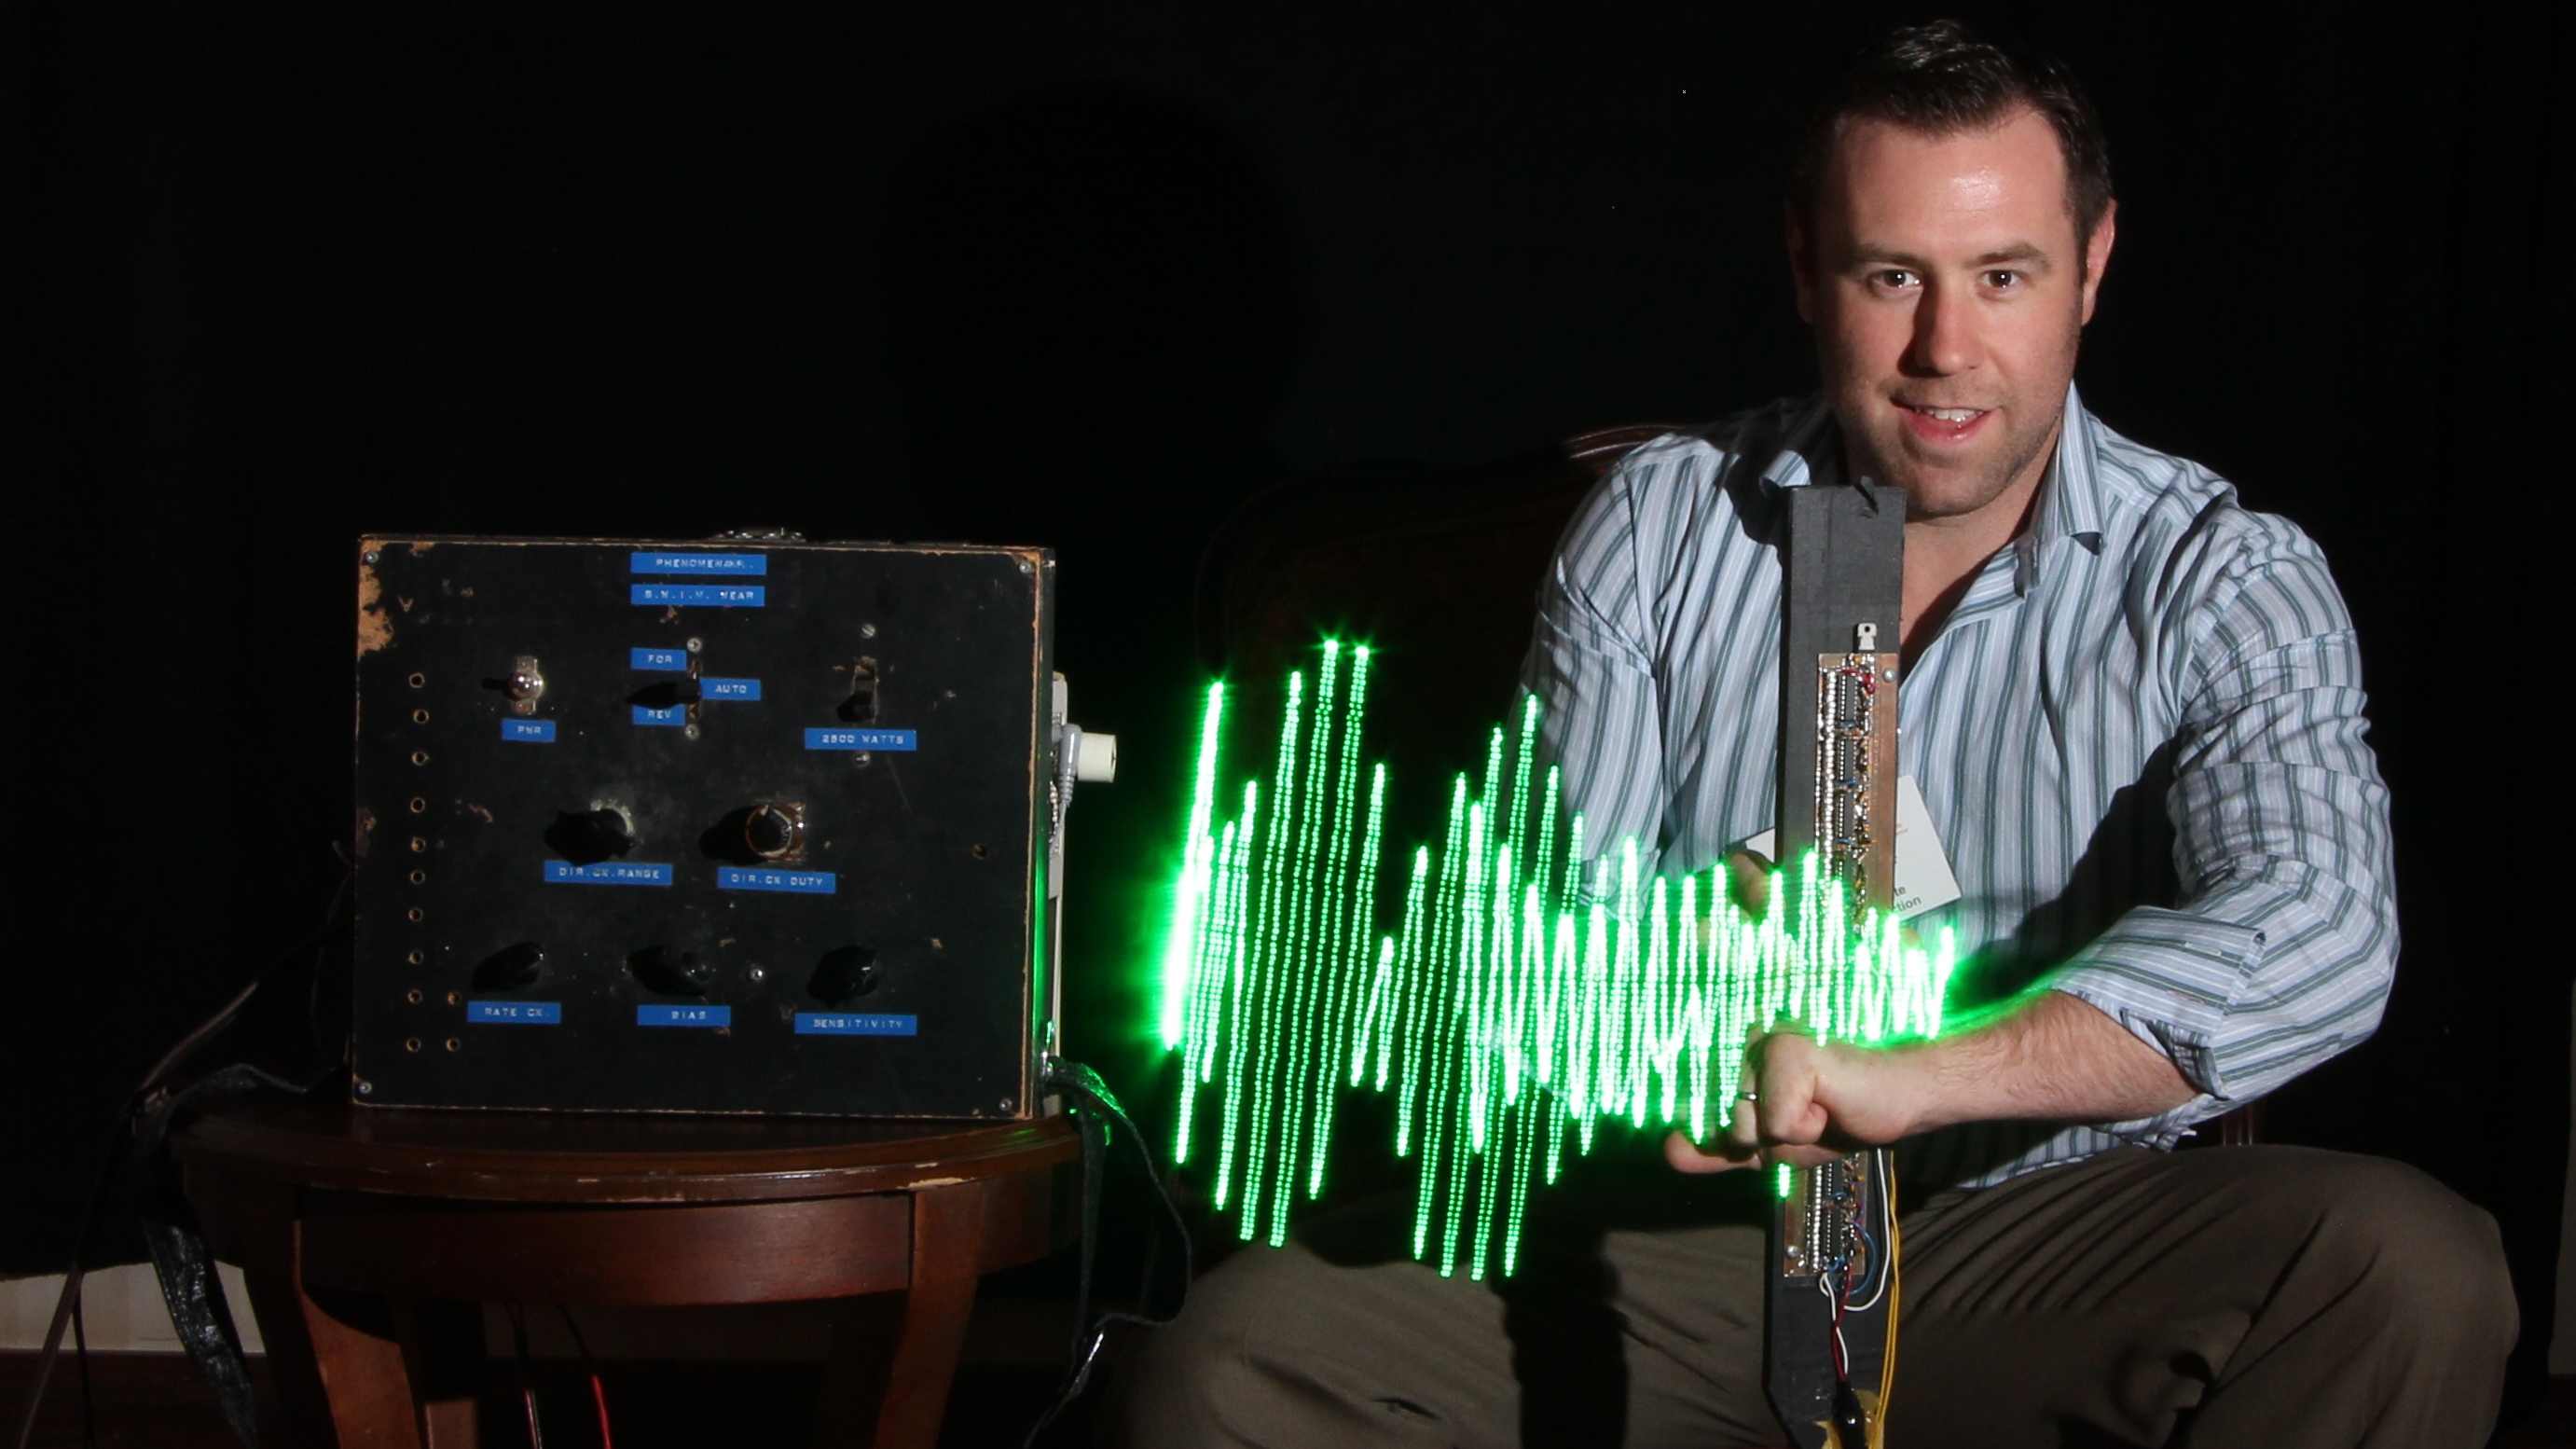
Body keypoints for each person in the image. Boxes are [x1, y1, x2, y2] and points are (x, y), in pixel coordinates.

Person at [1114, 21, 2516, 1447]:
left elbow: (2322, 922)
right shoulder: (1665, 527)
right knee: (1228, 1362)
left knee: (2406, 1269)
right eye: (1891, 275)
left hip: (2042, 1234)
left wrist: (1905, 1078)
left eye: (2003, 276)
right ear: (1804, 266)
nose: (1945, 349)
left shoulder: (2222, 576)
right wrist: (1677, 990)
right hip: (1688, 1239)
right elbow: (1547, 915)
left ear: (2093, 266)